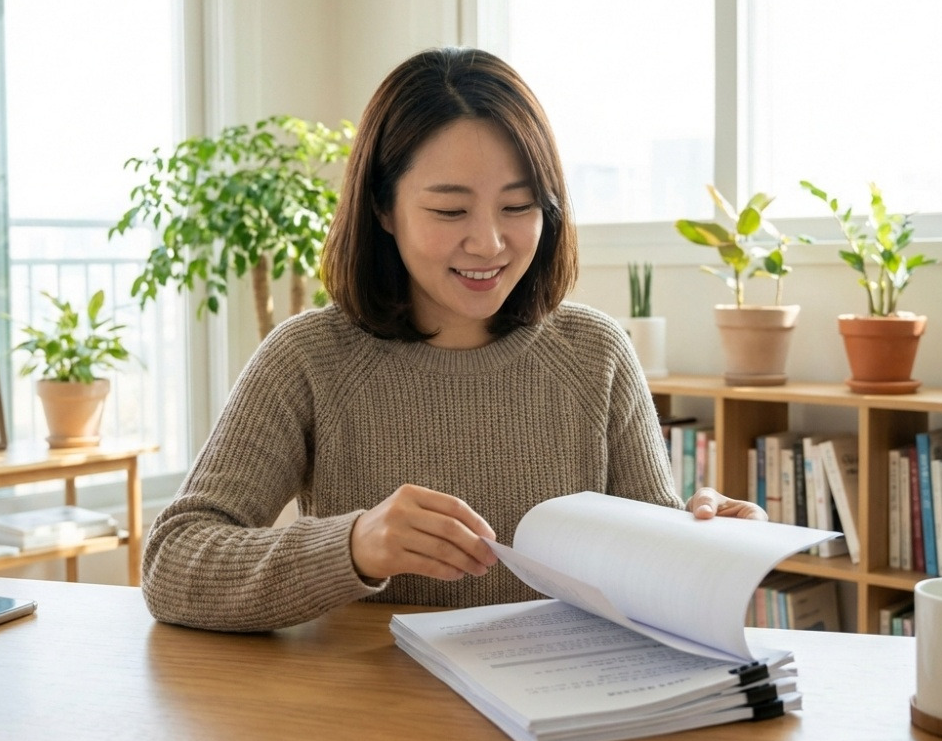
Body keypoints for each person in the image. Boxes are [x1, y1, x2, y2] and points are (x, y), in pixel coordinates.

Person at [141, 47, 765, 633]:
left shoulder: (595, 354)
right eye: (449, 211)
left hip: (555, 724)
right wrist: (354, 546)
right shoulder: (308, 358)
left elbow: (649, 568)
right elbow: (172, 563)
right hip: (375, 724)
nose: (489, 243)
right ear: (384, 209)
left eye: (518, 207)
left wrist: (708, 540)